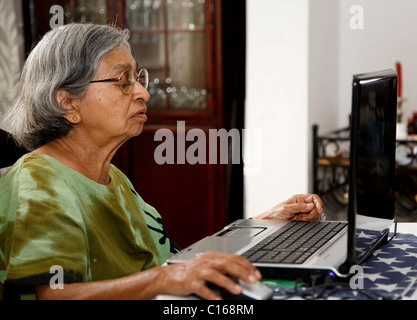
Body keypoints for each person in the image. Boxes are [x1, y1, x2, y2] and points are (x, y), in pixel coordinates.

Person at [0, 23, 323, 300]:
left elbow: (176, 260)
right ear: (68, 102)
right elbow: (55, 295)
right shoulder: (39, 180)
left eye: (138, 77)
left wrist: (265, 223)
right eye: (123, 80)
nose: (143, 92)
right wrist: (162, 280)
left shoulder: (110, 176)